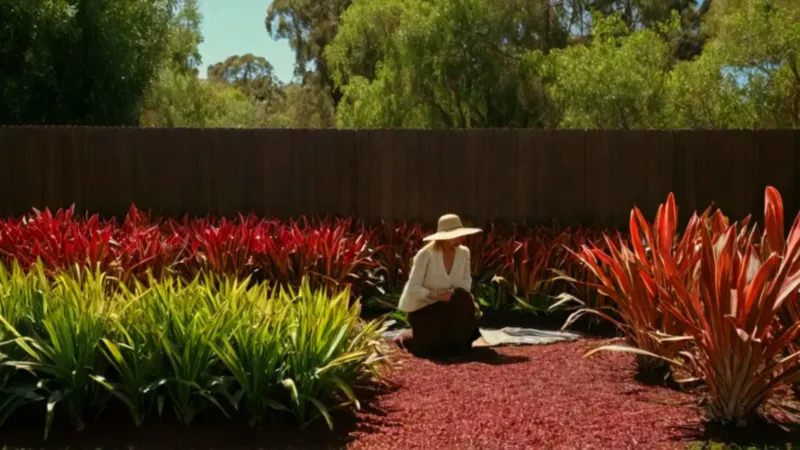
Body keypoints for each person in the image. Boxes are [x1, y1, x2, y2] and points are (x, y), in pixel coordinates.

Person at [393, 213, 482, 357]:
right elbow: (413, 288)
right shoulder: (425, 255)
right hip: (425, 309)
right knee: (429, 349)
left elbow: (466, 280)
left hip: (449, 306)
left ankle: (458, 340)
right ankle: (409, 336)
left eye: (460, 235)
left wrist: (454, 295)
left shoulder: (464, 253)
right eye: (455, 236)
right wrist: (435, 295)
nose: (460, 239)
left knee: (464, 298)